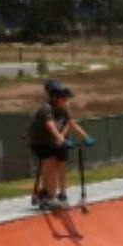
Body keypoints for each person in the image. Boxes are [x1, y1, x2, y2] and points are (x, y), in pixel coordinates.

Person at [27, 79, 87, 210]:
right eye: (63, 98)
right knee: (50, 163)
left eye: (66, 99)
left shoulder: (62, 108)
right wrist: (62, 138)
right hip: (39, 142)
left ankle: (48, 194)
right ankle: (51, 197)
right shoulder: (45, 109)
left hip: (53, 141)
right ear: (54, 97)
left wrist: (86, 137)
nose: (66, 101)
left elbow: (70, 123)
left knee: (55, 164)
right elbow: (50, 126)